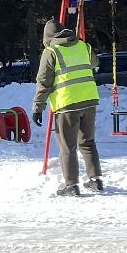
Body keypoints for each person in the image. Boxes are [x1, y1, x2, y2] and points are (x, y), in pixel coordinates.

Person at [31, 18, 102, 196]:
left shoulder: (51, 52)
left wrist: (37, 108)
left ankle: (71, 185)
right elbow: (95, 63)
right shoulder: (83, 46)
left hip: (67, 104)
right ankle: (95, 181)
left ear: (47, 36)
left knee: (67, 146)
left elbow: (43, 82)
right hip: (90, 99)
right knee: (88, 142)